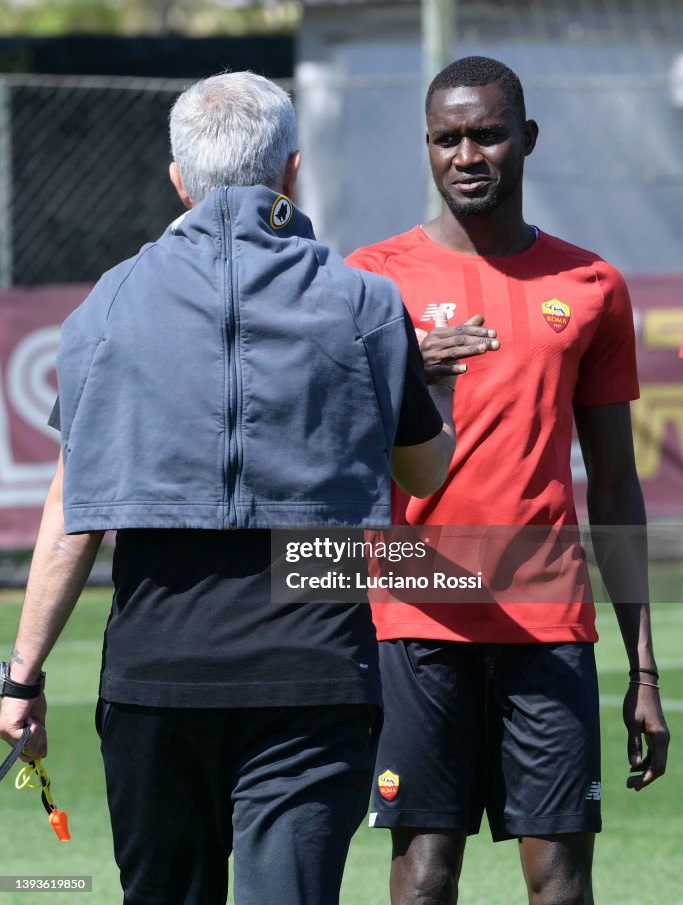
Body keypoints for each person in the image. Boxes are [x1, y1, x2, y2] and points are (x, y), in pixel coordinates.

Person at [0, 71, 456, 905]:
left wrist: (20, 679)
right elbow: (424, 474)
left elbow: (73, 511)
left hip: (154, 677)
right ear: (291, 172)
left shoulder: (109, 304)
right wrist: (433, 386)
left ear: (178, 180)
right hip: (312, 672)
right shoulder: (364, 304)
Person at [347, 55, 670, 905]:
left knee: (560, 879)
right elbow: (327, 453)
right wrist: (399, 377)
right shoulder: (370, 281)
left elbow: (613, 486)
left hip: (546, 619)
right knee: (423, 875)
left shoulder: (590, 286)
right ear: (426, 147)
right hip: (415, 612)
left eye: (486, 135)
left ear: (524, 140)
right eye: (445, 139)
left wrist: (643, 668)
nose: (466, 155)